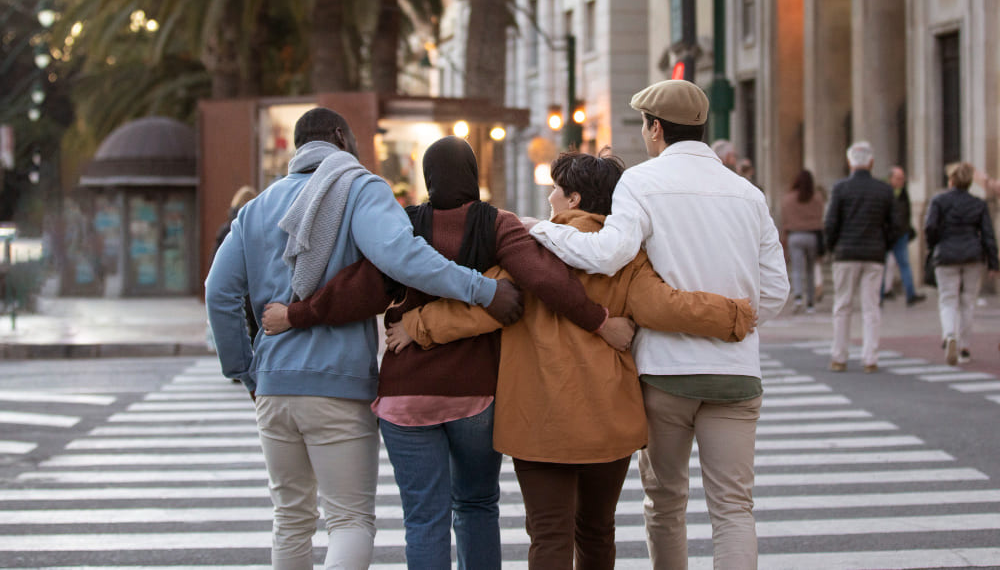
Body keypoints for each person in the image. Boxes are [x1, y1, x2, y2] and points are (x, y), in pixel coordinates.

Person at [382, 148, 757, 570]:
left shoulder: (530, 249)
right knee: (596, 532)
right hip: (608, 420)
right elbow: (665, 305)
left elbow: (483, 307)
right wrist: (734, 314)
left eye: (556, 189)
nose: (549, 197)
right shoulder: (626, 259)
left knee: (548, 535)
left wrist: (416, 325)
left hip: (539, 423)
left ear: (574, 199)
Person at [261, 136, 624, 570]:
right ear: (472, 175)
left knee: (423, 517)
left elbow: (358, 289)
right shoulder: (498, 224)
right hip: (475, 393)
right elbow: (544, 280)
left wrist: (295, 314)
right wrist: (599, 320)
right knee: (476, 504)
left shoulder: (404, 225)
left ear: (428, 178)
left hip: (406, 395)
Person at [205, 109, 522, 570]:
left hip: (273, 387)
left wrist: (246, 372)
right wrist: (481, 288)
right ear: (340, 136)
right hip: (338, 385)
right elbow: (401, 256)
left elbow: (218, 292)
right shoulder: (359, 188)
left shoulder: (258, 206)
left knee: (290, 519)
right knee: (350, 521)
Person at [529, 80, 789, 569]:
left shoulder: (641, 183)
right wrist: (736, 321)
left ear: (655, 128)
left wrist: (541, 230)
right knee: (734, 508)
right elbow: (775, 290)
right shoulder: (749, 194)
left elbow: (608, 255)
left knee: (666, 502)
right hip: (736, 373)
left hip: (667, 370)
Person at [824, 141, 897, 373]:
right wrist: (885, 245)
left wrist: (832, 246)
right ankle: (870, 357)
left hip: (846, 252)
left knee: (842, 305)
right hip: (874, 253)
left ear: (850, 162)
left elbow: (831, 222)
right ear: (871, 162)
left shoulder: (840, 188)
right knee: (871, 307)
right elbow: (895, 225)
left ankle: (839, 356)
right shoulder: (884, 190)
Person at [925, 162, 999, 365]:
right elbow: (988, 235)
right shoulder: (978, 204)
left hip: (946, 255)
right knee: (968, 301)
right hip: (972, 256)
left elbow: (930, 226)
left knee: (947, 299)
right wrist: (993, 263)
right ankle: (964, 347)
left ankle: (950, 335)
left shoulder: (938, 200)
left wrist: (934, 246)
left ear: (951, 180)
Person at [208, 185, 259, 351]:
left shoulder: (227, 229)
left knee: (235, 330)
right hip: (254, 288)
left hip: (233, 287)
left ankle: (240, 362)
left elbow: (215, 262)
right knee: (257, 331)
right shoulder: (259, 228)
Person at [780, 170, 825, 313]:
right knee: (810, 270)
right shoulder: (817, 198)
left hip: (795, 236)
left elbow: (785, 220)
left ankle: (798, 296)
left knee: (797, 269)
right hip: (812, 236)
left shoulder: (788, 199)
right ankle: (810, 303)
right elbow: (821, 218)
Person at [882, 166, 926, 306]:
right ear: (891, 178)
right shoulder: (885, 192)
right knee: (882, 266)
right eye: (898, 178)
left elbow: (905, 214)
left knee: (904, 264)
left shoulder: (903, 193)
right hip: (887, 234)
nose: (901, 181)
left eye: (903, 178)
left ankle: (910, 294)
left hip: (901, 234)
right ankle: (880, 295)